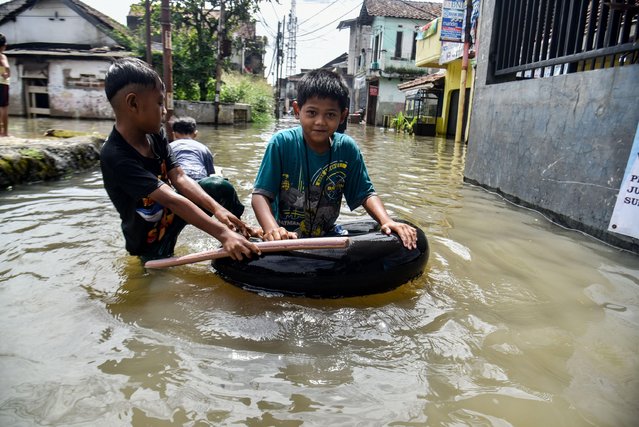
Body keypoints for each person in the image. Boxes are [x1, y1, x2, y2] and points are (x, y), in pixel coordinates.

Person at [100, 57, 261, 262]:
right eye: (159, 103)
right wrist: (221, 232)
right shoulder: (115, 155)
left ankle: (238, 236)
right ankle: (227, 237)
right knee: (157, 284)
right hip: (149, 240)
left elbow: (180, 178)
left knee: (219, 187)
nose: (165, 111)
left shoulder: (155, 135)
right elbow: (170, 198)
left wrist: (218, 210)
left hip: (172, 214)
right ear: (133, 103)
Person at [251, 69, 417, 249]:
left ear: (342, 116)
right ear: (297, 110)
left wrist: (386, 220)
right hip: (284, 237)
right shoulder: (282, 143)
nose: (320, 122)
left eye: (330, 115)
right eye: (312, 113)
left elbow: (366, 194)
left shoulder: (347, 148)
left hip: (326, 234)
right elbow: (260, 195)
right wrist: (272, 229)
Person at [170, 116, 245, 218]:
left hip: (176, 190)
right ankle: (237, 221)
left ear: (174, 134)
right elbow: (210, 175)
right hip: (200, 189)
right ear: (195, 133)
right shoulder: (203, 148)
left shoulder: (169, 147)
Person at [0, 33, 10, 137]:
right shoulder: (2, 56)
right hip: (2, 83)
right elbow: (6, 66)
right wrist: (6, 73)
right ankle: (5, 133)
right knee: (3, 107)